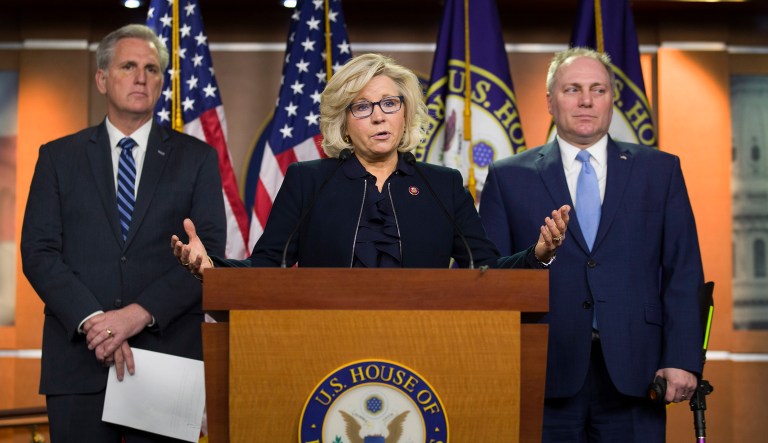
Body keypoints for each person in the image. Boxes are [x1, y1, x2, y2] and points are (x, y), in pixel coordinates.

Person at [479, 47, 705, 442]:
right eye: (573, 89)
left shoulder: (660, 170)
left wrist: (683, 358)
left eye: (598, 89)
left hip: (639, 370)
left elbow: (683, 272)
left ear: (611, 98)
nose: (586, 100)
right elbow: (489, 276)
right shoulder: (507, 177)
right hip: (542, 371)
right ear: (550, 101)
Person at [172, 53, 569, 274]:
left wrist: (537, 254)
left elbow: (486, 270)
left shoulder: (442, 185)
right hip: (326, 344)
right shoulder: (308, 181)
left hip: (423, 344)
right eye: (362, 107)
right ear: (343, 122)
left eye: (390, 103)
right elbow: (266, 267)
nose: (379, 116)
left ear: (405, 113)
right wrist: (212, 268)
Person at [20, 24, 226, 442]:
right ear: (101, 78)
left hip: (167, 361)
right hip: (79, 362)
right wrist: (96, 323)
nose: (141, 78)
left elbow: (207, 255)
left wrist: (136, 315)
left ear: (161, 83)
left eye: (152, 69)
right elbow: (39, 252)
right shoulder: (58, 157)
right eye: (128, 66)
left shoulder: (198, 158)